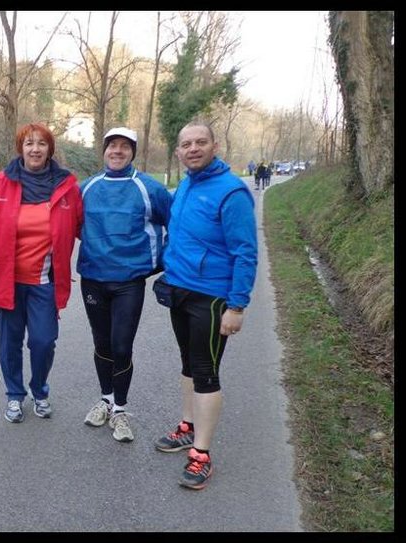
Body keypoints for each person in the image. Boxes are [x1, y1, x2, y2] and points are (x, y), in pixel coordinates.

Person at [153, 121, 257, 490]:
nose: (193, 149)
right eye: (186, 144)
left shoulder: (231, 191)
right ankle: (188, 427)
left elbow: (245, 252)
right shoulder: (186, 185)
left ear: (214, 145)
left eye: (200, 142)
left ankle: (202, 453)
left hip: (211, 298)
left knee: (205, 371)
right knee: (188, 364)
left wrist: (237, 306)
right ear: (178, 151)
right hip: (180, 290)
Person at [0, 122, 83, 423]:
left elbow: (85, 228)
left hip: (44, 283)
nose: (35, 149)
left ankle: (39, 390)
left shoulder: (67, 189)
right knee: (9, 344)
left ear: (50, 149)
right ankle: (14, 395)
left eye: (41, 143)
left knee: (43, 341)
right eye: (29, 143)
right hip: (5, 282)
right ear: (20, 149)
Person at [77, 127, 172, 441]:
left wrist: (162, 261)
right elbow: (72, 225)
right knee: (101, 343)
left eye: (124, 147)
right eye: (112, 146)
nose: (117, 151)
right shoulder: (86, 187)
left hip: (129, 282)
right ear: (104, 150)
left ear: (133, 152)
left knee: (121, 345)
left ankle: (120, 409)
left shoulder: (149, 188)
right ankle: (106, 400)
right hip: (93, 279)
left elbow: (177, 223)